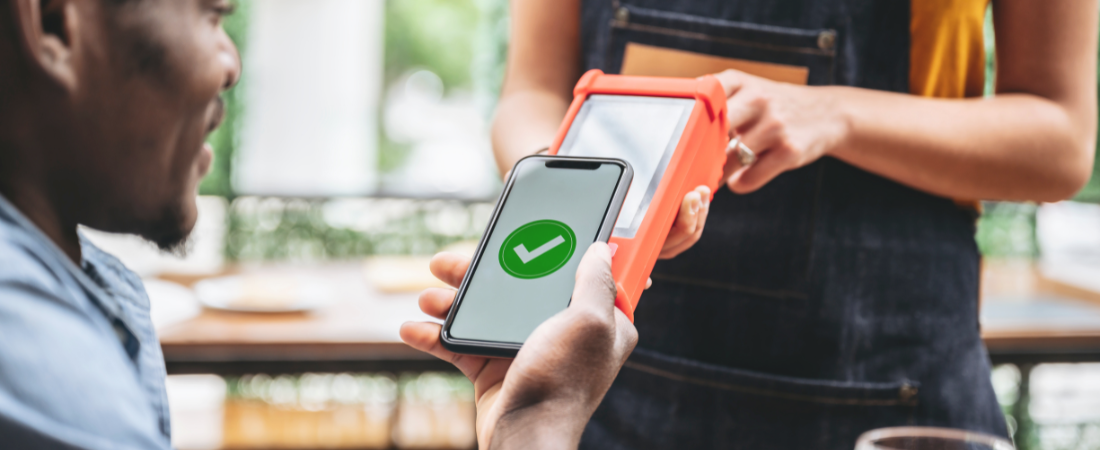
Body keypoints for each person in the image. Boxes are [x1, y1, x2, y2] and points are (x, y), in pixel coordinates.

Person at [0, 0, 679, 448]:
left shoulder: (73, 289)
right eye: (212, 15)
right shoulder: (37, 356)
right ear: (56, 22)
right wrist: (540, 428)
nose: (231, 63)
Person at [493, 0, 1098, 449]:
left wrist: (835, 112)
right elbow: (532, 91)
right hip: (610, 389)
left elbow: (1060, 143)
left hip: (890, 393)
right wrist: (588, 209)